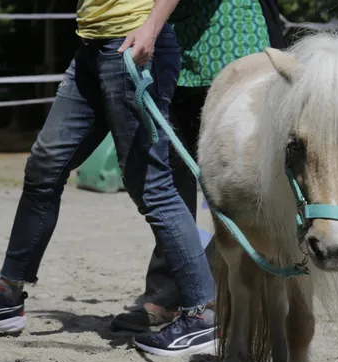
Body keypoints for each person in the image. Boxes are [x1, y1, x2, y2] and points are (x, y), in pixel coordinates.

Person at [0, 0, 218, 357]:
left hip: (135, 42)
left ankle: (200, 314)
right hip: (92, 45)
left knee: (151, 185)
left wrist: (151, 26)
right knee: (44, 167)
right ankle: (6, 297)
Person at [111, 0, 287, 332]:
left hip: (233, 44)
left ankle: (208, 286)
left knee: (235, 188)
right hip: (171, 43)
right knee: (171, 185)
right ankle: (166, 293)